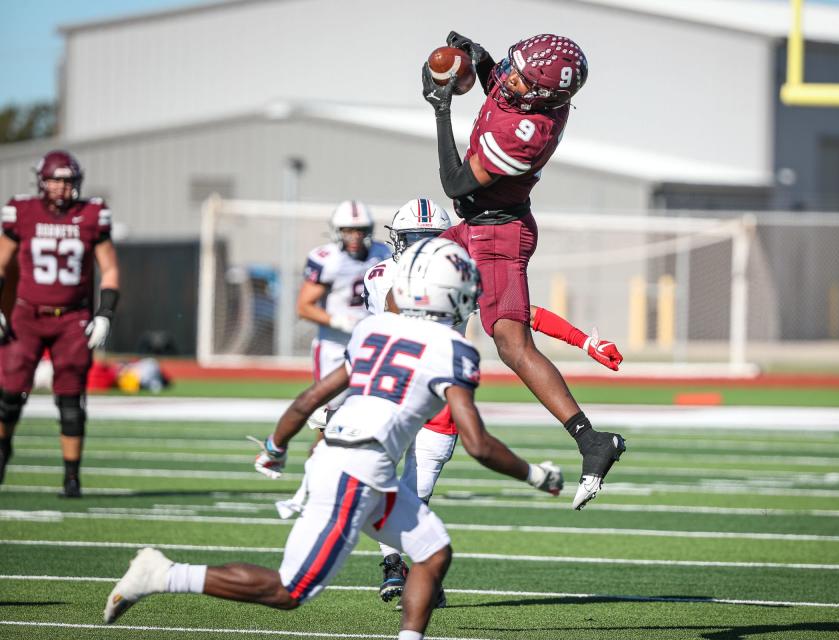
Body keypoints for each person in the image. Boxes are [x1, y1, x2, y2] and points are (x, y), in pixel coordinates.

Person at [104, 238, 563, 640]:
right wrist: (535, 475)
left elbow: (312, 397)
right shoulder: (453, 349)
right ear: (452, 293)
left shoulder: (374, 329)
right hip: (355, 471)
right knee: (290, 590)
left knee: (432, 550)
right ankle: (163, 574)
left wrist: (275, 446)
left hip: (357, 460)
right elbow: (478, 443)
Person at [362, 197, 623, 604]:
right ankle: (397, 564)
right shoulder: (397, 275)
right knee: (381, 477)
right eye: (415, 242)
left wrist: (583, 339)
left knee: (415, 489)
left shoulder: (434, 272)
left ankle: (399, 565)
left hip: (425, 385)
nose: (421, 251)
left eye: (429, 241)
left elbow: (520, 313)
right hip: (411, 383)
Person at [421, 32, 625, 509]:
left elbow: (455, 179)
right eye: (513, 66)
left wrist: (440, 108)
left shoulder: (528, 133)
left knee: (511, 343)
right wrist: (477, 55)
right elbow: (501, 77)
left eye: (520, 76)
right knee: (405, 274)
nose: (507, 78)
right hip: (477, 226)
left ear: (543, 95)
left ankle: (591, 440)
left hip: (497, 235)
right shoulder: (530, 90)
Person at [0, 150, 119, 497]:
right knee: (8, 396)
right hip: (27, 314)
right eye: (55, 180)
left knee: (71, 400)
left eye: (67, 181)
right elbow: (1, 262)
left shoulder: (91, 214)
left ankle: (71, 478)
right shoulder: (22, 212)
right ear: (42, 181)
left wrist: (105, 313)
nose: (62, 188)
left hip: (72, 317)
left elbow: (109, 268)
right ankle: (3, 450)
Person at [296, 200, 391, 430]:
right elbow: (304, 306)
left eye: (360, 230)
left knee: (372, 411)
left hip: (371, 345)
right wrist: (337, 320)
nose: (355, 236)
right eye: (348, 230)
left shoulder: (382, 253)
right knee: (327, 421)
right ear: (337, 231)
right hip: (334, 347)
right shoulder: (327, 259)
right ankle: (321, 463)